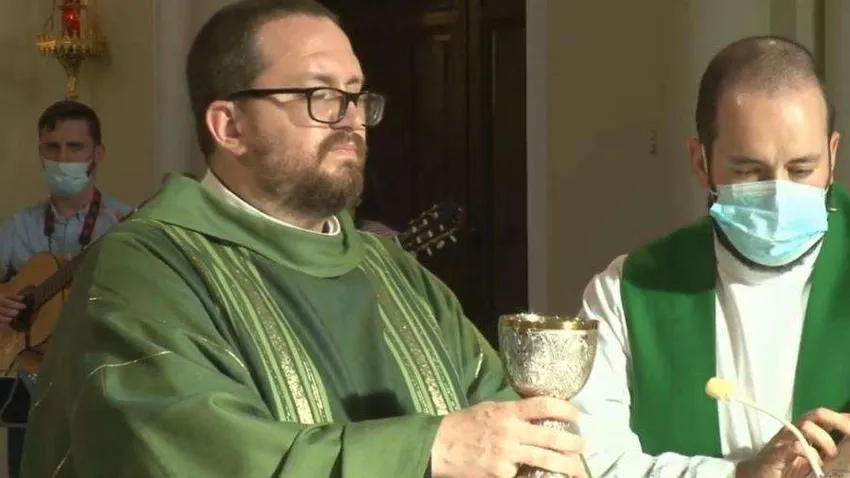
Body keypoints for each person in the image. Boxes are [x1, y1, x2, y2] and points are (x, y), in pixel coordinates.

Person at [21, 1, 588, 477]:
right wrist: (427, 450)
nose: (352, 120)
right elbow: (191, 452)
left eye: (356, 95)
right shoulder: (144, 269)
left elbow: (500, 420)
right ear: (230, 126)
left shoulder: (397, 273)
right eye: (321, 95)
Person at [573, 35, 850, 477]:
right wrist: (737, 475)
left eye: (802, 169)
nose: (779, 194)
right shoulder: (626, 294)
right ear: (701, 162)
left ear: (832, 155)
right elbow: (589, 462)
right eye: (749, 171)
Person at [0, 100, 131, 478]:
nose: (63, 158)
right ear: (40, 152)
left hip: (97, 382)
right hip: (27, 382)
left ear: (97, 154)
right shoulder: (17, 227)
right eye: (52, 148)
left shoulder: (125, 225)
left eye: (75, 148)